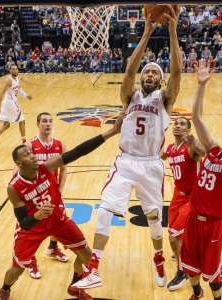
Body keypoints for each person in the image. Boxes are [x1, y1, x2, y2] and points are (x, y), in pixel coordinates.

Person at [72, 5, 182, 291]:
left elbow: (178, 74)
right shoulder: (129, 96)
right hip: (126, 162)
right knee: (106, 209)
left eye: (154, 73)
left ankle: (158, 257)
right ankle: (94, 268)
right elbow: (129, 71)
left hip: (151, 165)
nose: (148, 75)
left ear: (160, 80)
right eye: (146, 72)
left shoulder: (165, 99)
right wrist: (146, 34)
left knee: (154, 218)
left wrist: (172, 32)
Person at [0, 112, 126, 300]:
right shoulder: (14, 187)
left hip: (58, 219)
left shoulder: (46, 167)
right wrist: (38, 215)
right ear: (19, 163)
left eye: (32, 153)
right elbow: (24, 223)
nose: (33, 156)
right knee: (16, 271)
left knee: (86, 255)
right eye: (27, 155)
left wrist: (111, 132)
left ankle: (75, 288)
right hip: (32, 229)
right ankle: (5, 289)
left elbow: (78, 152)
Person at [179, 67, 222, 300]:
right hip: (194, 218)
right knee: (188, 265)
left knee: (213, 273)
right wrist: (201, 84)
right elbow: (196, 118)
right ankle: (196, 293)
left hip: (214, 224)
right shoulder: (215, 150)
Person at [14, 112, 69, 279]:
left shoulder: (60, 144)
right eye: (44, 121)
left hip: (52, 193)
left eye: (50, 121)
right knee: (31, 229)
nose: (48, 124)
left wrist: (59, 189)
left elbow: (64, 169)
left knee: (57, 221)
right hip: (34, 197)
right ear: (38, 124)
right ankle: (30, 260)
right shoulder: (30, 146)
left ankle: (52, 248)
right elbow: (18, 171)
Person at [160, 118, 205, 291]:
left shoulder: (192, 148)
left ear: (188, 129)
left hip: (194, 198)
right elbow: (157, 158)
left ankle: (183, 271)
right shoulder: (171, 148)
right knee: (175, 234)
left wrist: (194, 143)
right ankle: (186, 255)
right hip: (177, 196)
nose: (178, 125)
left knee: (173, 239)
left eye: (182, 124)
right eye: (176, 123)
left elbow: (206, 152)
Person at [0, 65, 32, 152]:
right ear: (10, 71)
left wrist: (26, 96)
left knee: (6, 124)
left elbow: (20, 90)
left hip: (8, 103)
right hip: (9, 102)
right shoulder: (9, 80)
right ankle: (24, 142)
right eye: (13, 69)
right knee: (22, 121)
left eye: (16, 69)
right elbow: (1, 93)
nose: (15, 70)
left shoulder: (17, 79)